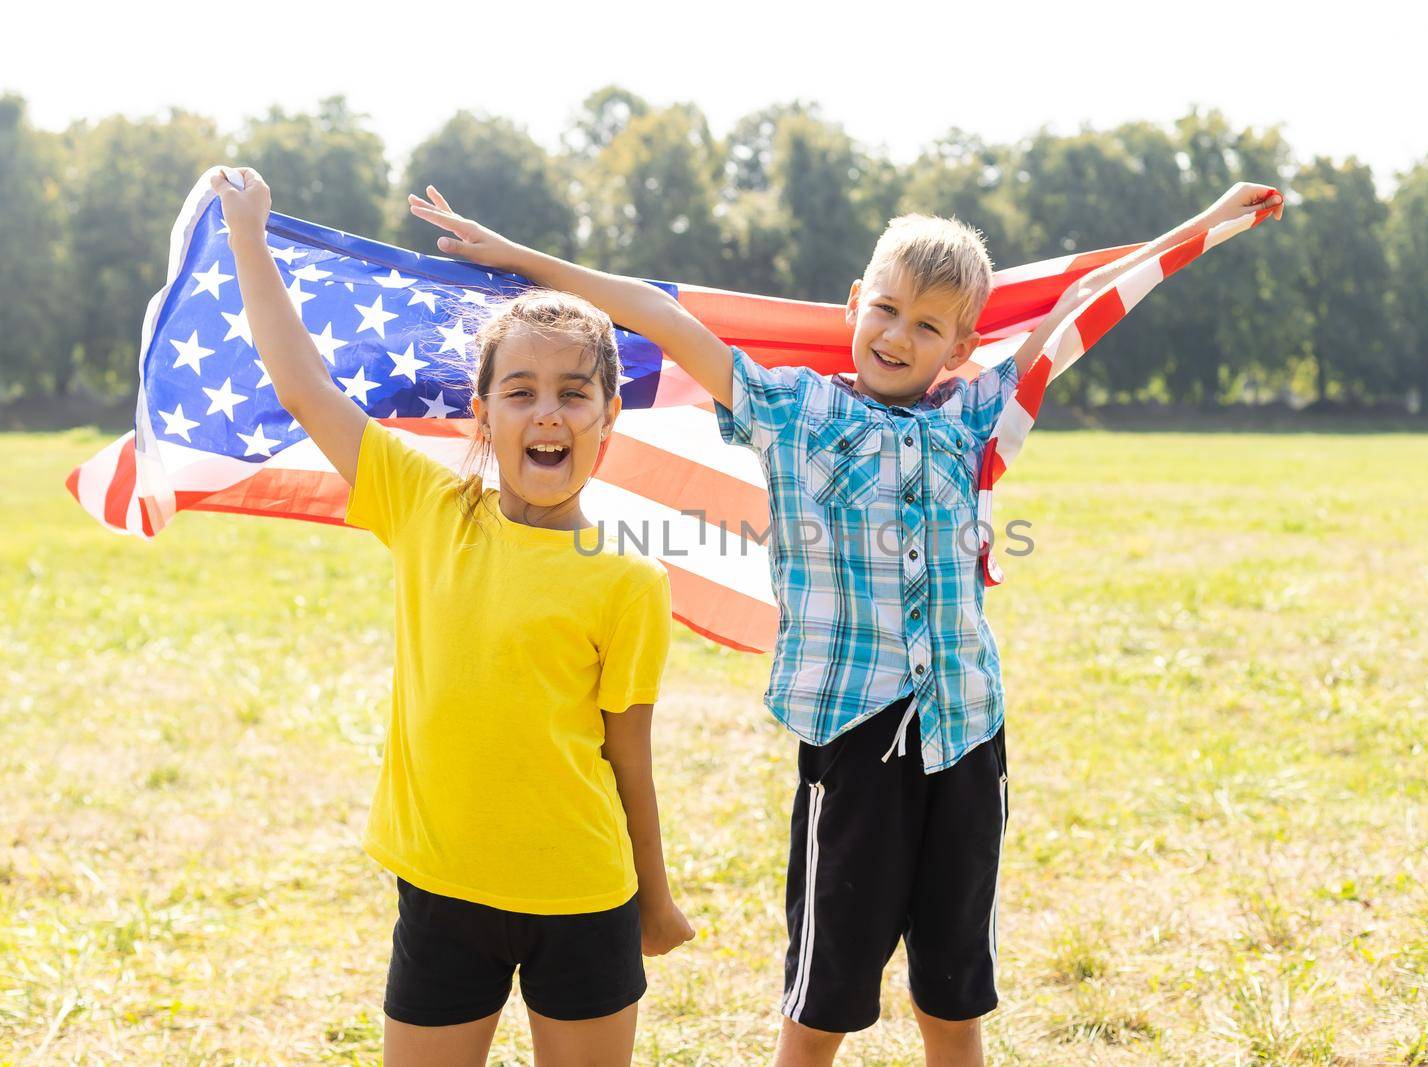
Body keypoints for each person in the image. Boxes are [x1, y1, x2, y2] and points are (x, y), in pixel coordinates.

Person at [410, 179, 1283, 1066]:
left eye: (929, 325)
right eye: (888, 310)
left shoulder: (979, 416)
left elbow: (1085, 309)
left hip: (968, 736)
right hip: (854, 745)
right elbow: (661, 318)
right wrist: (518, 255)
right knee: (825, 993)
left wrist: (1204, 226)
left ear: (963, 344)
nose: (900, 336)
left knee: (955, 987)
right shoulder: (792, 412)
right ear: (856, 304)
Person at [213, 166, 694, 1067]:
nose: (545, 412)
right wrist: (249, 235)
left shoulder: (629, 580)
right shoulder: (427, 506)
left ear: (607, 417)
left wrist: (654, 900)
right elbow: (305, 385)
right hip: (442, 892)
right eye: (519, 391)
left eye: (571, 393)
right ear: (482, 413)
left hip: (585, 896)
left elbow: (629, 758)